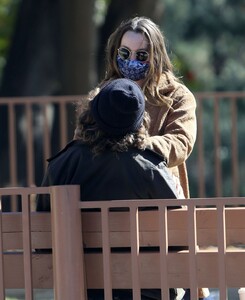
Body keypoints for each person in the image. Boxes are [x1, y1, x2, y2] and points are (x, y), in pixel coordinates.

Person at [73, 16, 209, 300]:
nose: (131, 60)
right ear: (115, 53)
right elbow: (82, 145)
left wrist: (135, 146)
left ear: (156, 56)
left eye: (141, 55)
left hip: (159, 212)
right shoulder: (103, 96)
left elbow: (181, 142)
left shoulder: (177, 96)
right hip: (109, 218)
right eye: (124, 53)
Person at [37, 78, 183, 300]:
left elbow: (42, 241)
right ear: (139, 120)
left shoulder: (63, 164)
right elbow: (181, 236)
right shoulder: (150, 168)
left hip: (81, 290)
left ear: (92, 113)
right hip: (148, 290)